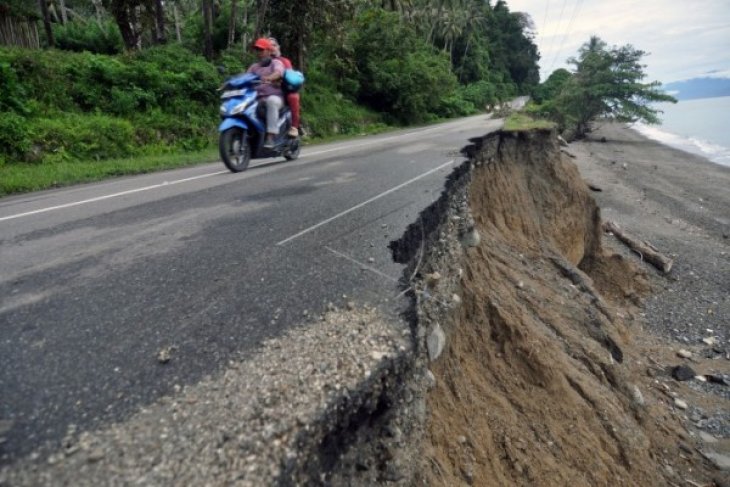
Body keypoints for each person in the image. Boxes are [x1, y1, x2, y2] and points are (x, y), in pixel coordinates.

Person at [246, 37, 285, 148]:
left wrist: (269, 78)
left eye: (261, 50)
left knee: (271, 101)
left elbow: (278, 73)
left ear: (268, 51)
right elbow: (245, 77)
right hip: (257, 100)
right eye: (257, 50)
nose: (259, 53)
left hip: (275, 98)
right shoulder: (254, 67)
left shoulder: (275, 63)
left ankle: (270, 137)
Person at [268, 37, 301, 138]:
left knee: (293, 97)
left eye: (274, 45)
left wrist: (279, 80)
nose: (272, 47)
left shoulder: (284, 61)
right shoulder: (262, 63)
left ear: (278, 47)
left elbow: (289, 77)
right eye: (269, 46)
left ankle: (295, 127)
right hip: (265, 93)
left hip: (281, 93)